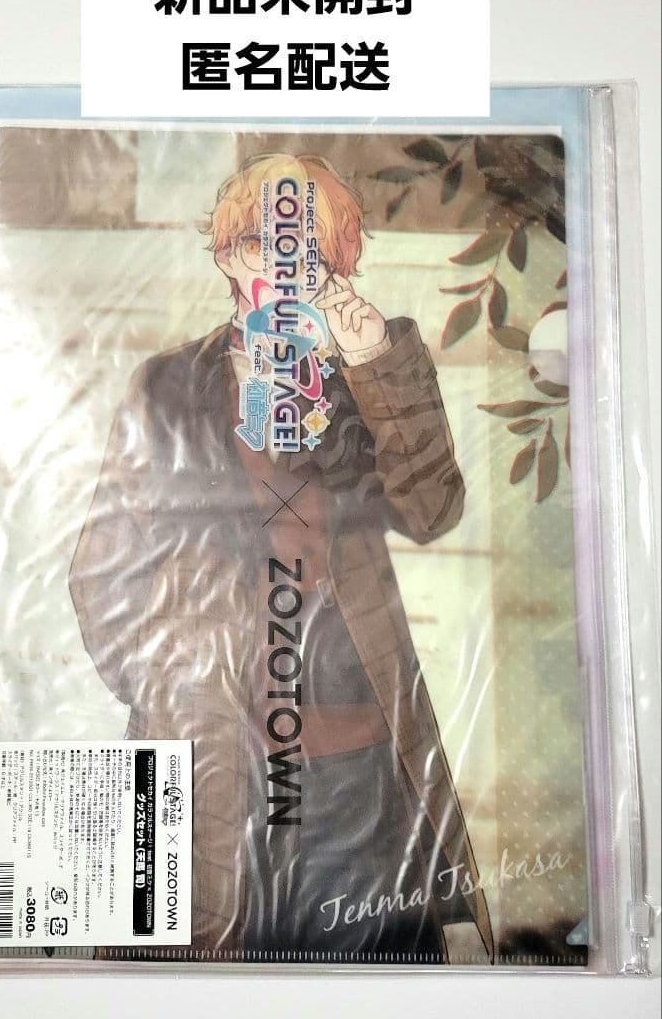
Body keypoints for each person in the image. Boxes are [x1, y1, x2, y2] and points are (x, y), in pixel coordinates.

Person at [69, 152, 492, 964]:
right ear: (229, 255)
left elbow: (432, 511)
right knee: (189, 977)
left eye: (311, 255)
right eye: (267, 245)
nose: (287, 270)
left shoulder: (366, 375)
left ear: (337, 269)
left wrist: (373, 363)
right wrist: (175, 691)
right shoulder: (169, 386)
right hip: (210, 761)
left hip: (358, 771)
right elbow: (103, 572)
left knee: (370, 985)